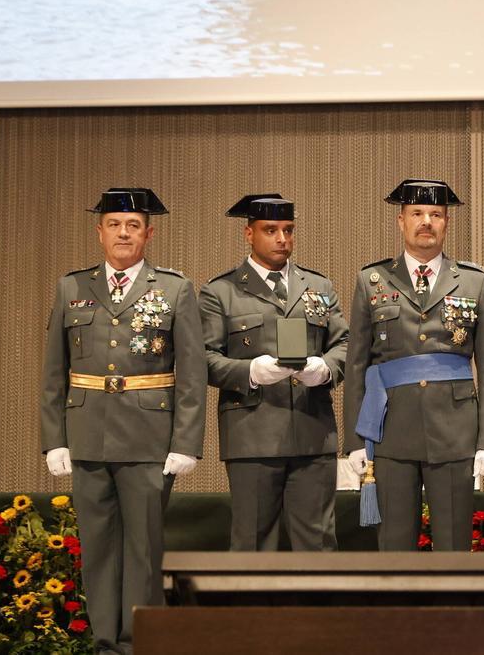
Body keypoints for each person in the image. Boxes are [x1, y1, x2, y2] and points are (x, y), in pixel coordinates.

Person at [41, 188, 206, 654]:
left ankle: (139, 642)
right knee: (97, 547)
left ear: (148, 234)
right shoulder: (71, 287)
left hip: (149, 436)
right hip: (87, 432)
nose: (123, 233)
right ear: (100, 232)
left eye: (133, 225)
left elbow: (192, 372)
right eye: (114, 224)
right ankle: (104, 643)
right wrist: (54, 438)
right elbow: (54, 369)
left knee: (143, 549)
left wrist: (186, 442)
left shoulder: (174, 288)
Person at [343, 179, 484, 551]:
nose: (426, 221)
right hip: (390, 431)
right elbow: (356, 366)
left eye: (435, 214)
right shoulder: (372, 281)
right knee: (395, 548)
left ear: (446, 223)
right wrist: (354, 440)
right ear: (401, 221)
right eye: (417, 213)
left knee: (453, 547)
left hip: (454, 430)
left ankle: (451, 612)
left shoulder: (475, 281)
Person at [200, 194, 348, 551]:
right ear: (249, 234)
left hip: (312, 433)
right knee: (253, 543)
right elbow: (203, 359)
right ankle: (252, 611)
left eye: (288, 230)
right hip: (253, 433)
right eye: (271, 230)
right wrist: (250, 371)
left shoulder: (319, 287)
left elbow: (345, 344)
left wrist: (324, 369)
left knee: (318, 543)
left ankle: (316, 610)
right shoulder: (221, 292)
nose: (282, 239)